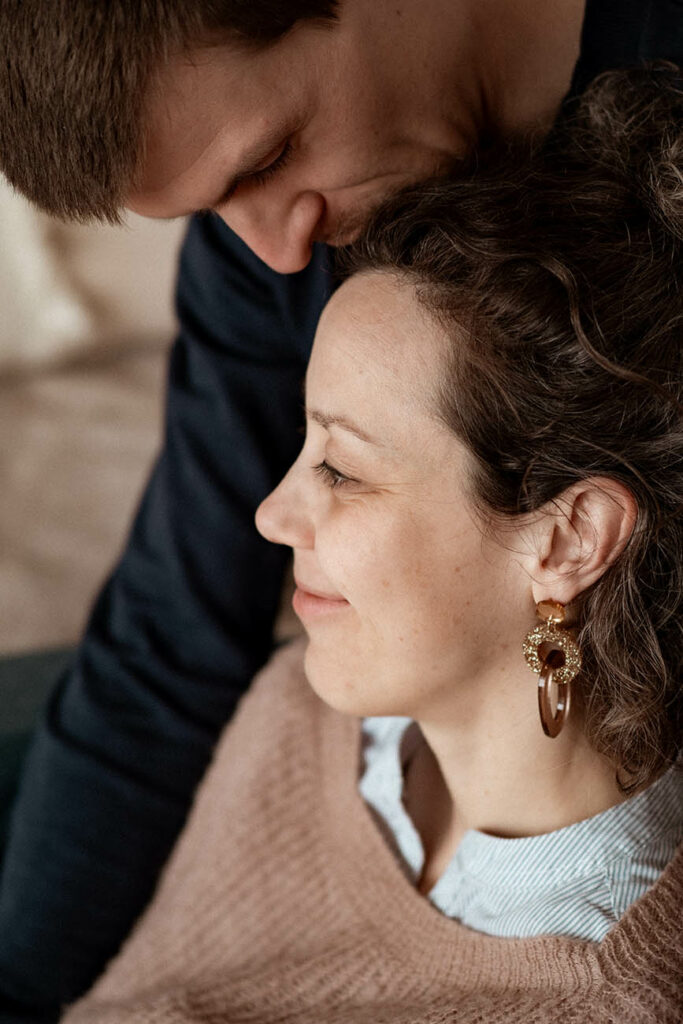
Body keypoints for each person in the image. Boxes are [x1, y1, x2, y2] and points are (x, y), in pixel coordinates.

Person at [0, 2, 681, 1018]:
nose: (279, 257)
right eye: (206, 211)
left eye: (267, 155)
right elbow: (169, 646)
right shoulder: (294, 724)